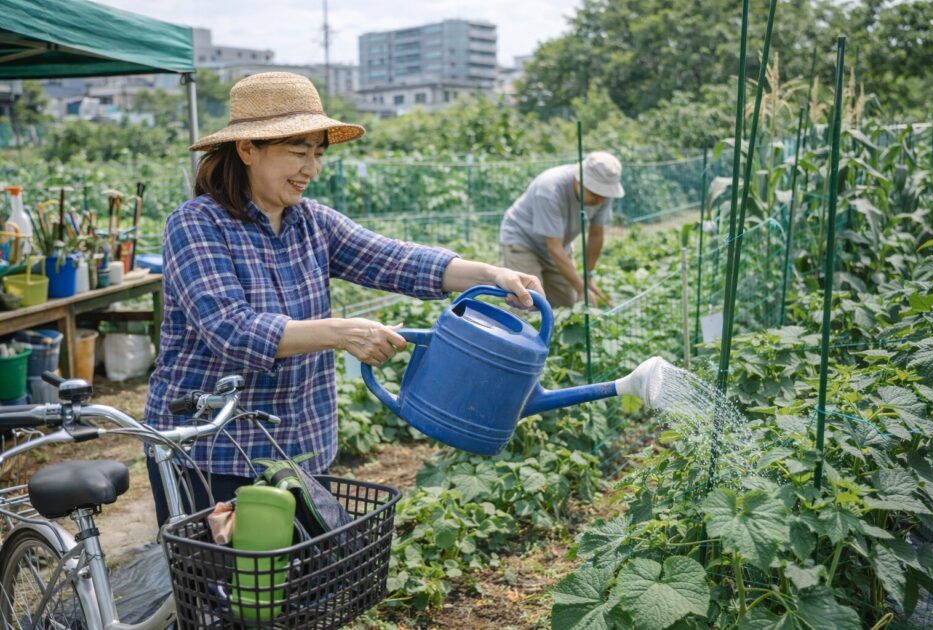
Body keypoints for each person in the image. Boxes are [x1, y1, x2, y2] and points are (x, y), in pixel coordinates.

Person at [144, 72, 543, 525]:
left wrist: (491, 273)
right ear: (247, 149)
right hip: (214, 450)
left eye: (317, 154)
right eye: (297, 152)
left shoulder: (312, 222)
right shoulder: (197, 225)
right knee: (222, 589)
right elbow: (231, 331)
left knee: (303, 585)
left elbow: (396, 260)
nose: (310, 169)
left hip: (301, 445)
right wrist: (343, 333)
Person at [499, 151, 624, 307]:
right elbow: (554, 248)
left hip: (558, 245)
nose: (600, 200)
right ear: (579, 180)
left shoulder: (603, 195)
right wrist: (581, 288)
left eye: (604, 195)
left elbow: (596, 234)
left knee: (566, 306)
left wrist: (587, 276)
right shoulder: (549, 189)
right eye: (594, 193)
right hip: (522, 240)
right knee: (527, 301)